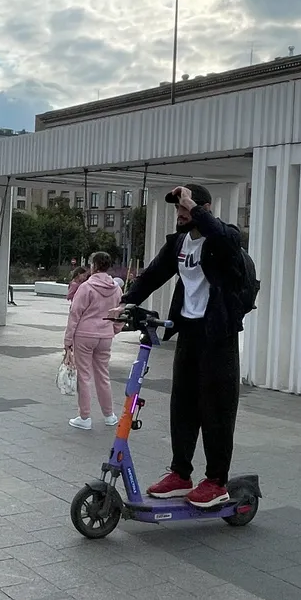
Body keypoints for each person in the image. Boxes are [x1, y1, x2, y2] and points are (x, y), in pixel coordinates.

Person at [112, 184, 247, 508]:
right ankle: (180, 474)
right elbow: (153, 274)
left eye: (185, 206)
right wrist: (127, 301)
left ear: (204, 208)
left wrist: (195, 206)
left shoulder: (223, 238)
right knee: (183, 405)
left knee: (216, 409)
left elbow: (227, 240)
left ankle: (216, 481)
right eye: (178, 208)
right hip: (189, 331)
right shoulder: (179, 243)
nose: (181, 213)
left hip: (218, 336)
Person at [64, 251, 123, 430]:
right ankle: (109, 415)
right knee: (103, 375)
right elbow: (120, 313)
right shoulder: (116, 288)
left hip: (84, 334)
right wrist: (113, 330)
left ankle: (85, 417)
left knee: (84, 376)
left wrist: (68, 340)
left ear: (94, 266)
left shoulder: (86, 287)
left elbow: (75, 314)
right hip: (105, 335)